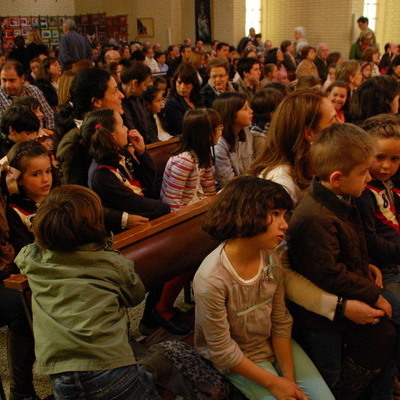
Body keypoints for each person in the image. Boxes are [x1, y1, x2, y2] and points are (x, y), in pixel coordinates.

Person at [14, 185, 162, 400]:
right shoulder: (111, 263)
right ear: (96, 225)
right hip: (111, 366)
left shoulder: (33, 259)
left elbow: (25, 253)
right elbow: (136, 295)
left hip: (61, 375)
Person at [194, 176, 334, 400]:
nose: (285, 224)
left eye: (284, 215)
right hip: (238, 359)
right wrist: (274, 383)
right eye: (275, 214)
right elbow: (222, 351)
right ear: (246, 213)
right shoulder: (211, 279)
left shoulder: (272, 260)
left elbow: (280, 321)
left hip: (272, 343)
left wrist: (288, 379)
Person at [288, 123, 397, 399]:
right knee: (329, 371)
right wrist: (373, 293)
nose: (367, 178)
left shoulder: (341, 196)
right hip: (322, 315)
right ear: (337, 177)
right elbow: (328, 273)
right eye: (362, 173)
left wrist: (365, 264)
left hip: (348, 289)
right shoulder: (316, 216)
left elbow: (352, 242)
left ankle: (379, 393)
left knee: (388, 332)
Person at [249, 91, 339, 206]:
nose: (340, 125)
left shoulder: (311, 167)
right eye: (333, 121)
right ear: (309, 133)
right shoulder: (281, 185)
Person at [85, 108, 169, 225]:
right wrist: (167, 207)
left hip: (142, 208)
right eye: (123, 126)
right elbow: (135, 204)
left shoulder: (120, 152)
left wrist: (142, 153)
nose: (127, 129)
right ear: (112, 136)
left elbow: (147, 185)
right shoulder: (102, 175)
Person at [56, 67, 124, 186]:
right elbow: (76, 193)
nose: (121, 95)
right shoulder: (74, 143)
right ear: (97, 102)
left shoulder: (111, 126)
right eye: (114, 91)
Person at [356, 114, 400, 296]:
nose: (386, 166)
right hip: (384, 268)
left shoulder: (391, 184)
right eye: (380, 157)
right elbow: (369, 240)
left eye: (394, 159)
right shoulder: (363, 190)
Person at [161, 108, 220, 209]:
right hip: (183, 212)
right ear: (207, 134)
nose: (221, 130)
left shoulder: (204, 155)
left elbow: (209, 190)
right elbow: (172, 203)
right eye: (219, 127)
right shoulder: (184, 161)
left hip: (197, 204)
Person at [212, 92, 254, 188]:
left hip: (247, 186)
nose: (251, 111)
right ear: (230, 113)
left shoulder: (247, 132)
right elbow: (228, 182)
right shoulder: (218, 143)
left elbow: (254, 166)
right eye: (245, 108)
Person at [0, 60, 54, 129]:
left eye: (12, 80)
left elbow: (49, 116)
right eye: (4, 80)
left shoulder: (34, 91)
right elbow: (2, 129)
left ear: (22, 78)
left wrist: (46, 135)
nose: (8, 85)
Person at [164, 63, 203, 136]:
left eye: (186, 83)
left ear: (193, 84)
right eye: (179, 82)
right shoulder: (171, 103)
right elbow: (183, 127)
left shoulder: (198, 99)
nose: (182, 87)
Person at [120, 62, 154, 143]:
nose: (145, 89)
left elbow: (148, 124)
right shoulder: (118, 101)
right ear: (134, 83)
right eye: (145, 85)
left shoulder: (139, 97)